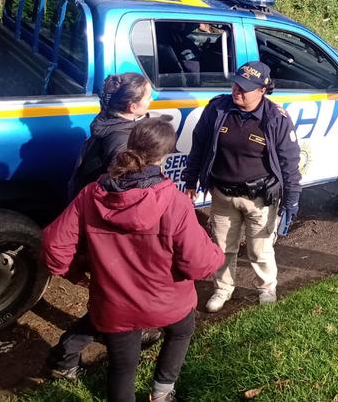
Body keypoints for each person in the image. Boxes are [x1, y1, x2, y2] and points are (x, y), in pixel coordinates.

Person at [43, 119, 224, 402]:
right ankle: (162, 394)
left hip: (116, 306)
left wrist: (74, 271)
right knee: (182, 330)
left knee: (122, 366)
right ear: (164, 156)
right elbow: (198, 264)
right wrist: (217, 253)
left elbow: (54, 246)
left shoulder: (91, 195)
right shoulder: (174, 202)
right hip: (168, 302)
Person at [48, 72, 159, 381]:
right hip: (108, 231)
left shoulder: (108, 121)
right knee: (116, 295)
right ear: (134, 105)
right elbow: (121, 193)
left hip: (94, 225)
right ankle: (64, 357)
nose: (152, 100)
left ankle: (139, 329)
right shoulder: (122, 140)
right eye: (148, 97)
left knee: (120, 292)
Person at [182, 61, 302, 313]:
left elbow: (289, 162)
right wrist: (190, 180)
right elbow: (199, 146)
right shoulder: (217, 109)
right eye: (236, 83)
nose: (237, 90)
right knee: (223, 247)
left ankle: (266, 288)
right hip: (222, 194)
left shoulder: (275, 119)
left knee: (260, 249)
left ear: (263, 90)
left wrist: (292, 199)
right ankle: (223, 289)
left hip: (260, 198)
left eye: (245, 88)